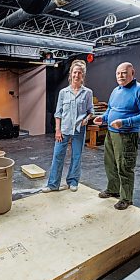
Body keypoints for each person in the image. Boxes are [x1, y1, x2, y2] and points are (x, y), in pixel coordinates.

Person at [94, 62, 140, 210]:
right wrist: (103, 118)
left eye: (124, 73)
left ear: (132, 73)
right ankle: (113, 189)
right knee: (110, 164)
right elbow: (110, 110)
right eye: (118, 73)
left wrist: (124, 122)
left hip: (127, 135)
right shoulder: (115, 91)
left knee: (125, 166)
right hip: (111, 133)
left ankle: (126, 198)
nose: (120, 76)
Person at [42, 60, 94, 193]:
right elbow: (58, 113)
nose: (77, 75)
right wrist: (57, 130)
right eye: (75, 72)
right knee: (58, 155)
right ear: (70, 74)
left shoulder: (87, 93)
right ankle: (53, 184)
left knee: (77, 156)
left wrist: (86, 119)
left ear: (83, 76)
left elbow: (91, 111)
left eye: (80, 73)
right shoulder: (63, 92)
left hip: (79, 130)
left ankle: (73, 181)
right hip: (64, 129)